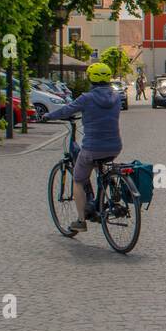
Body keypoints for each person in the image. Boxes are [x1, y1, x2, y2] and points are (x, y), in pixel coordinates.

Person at [41, 62, 123, 234]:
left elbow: (66, 110)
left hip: (93, 147)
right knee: (99, 166)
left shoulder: (87, 98)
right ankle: (105, 193)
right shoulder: (116, 97)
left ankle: (80, 220)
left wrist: (47, 116)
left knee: (78, 179)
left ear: (90, 78)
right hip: (115, 147)